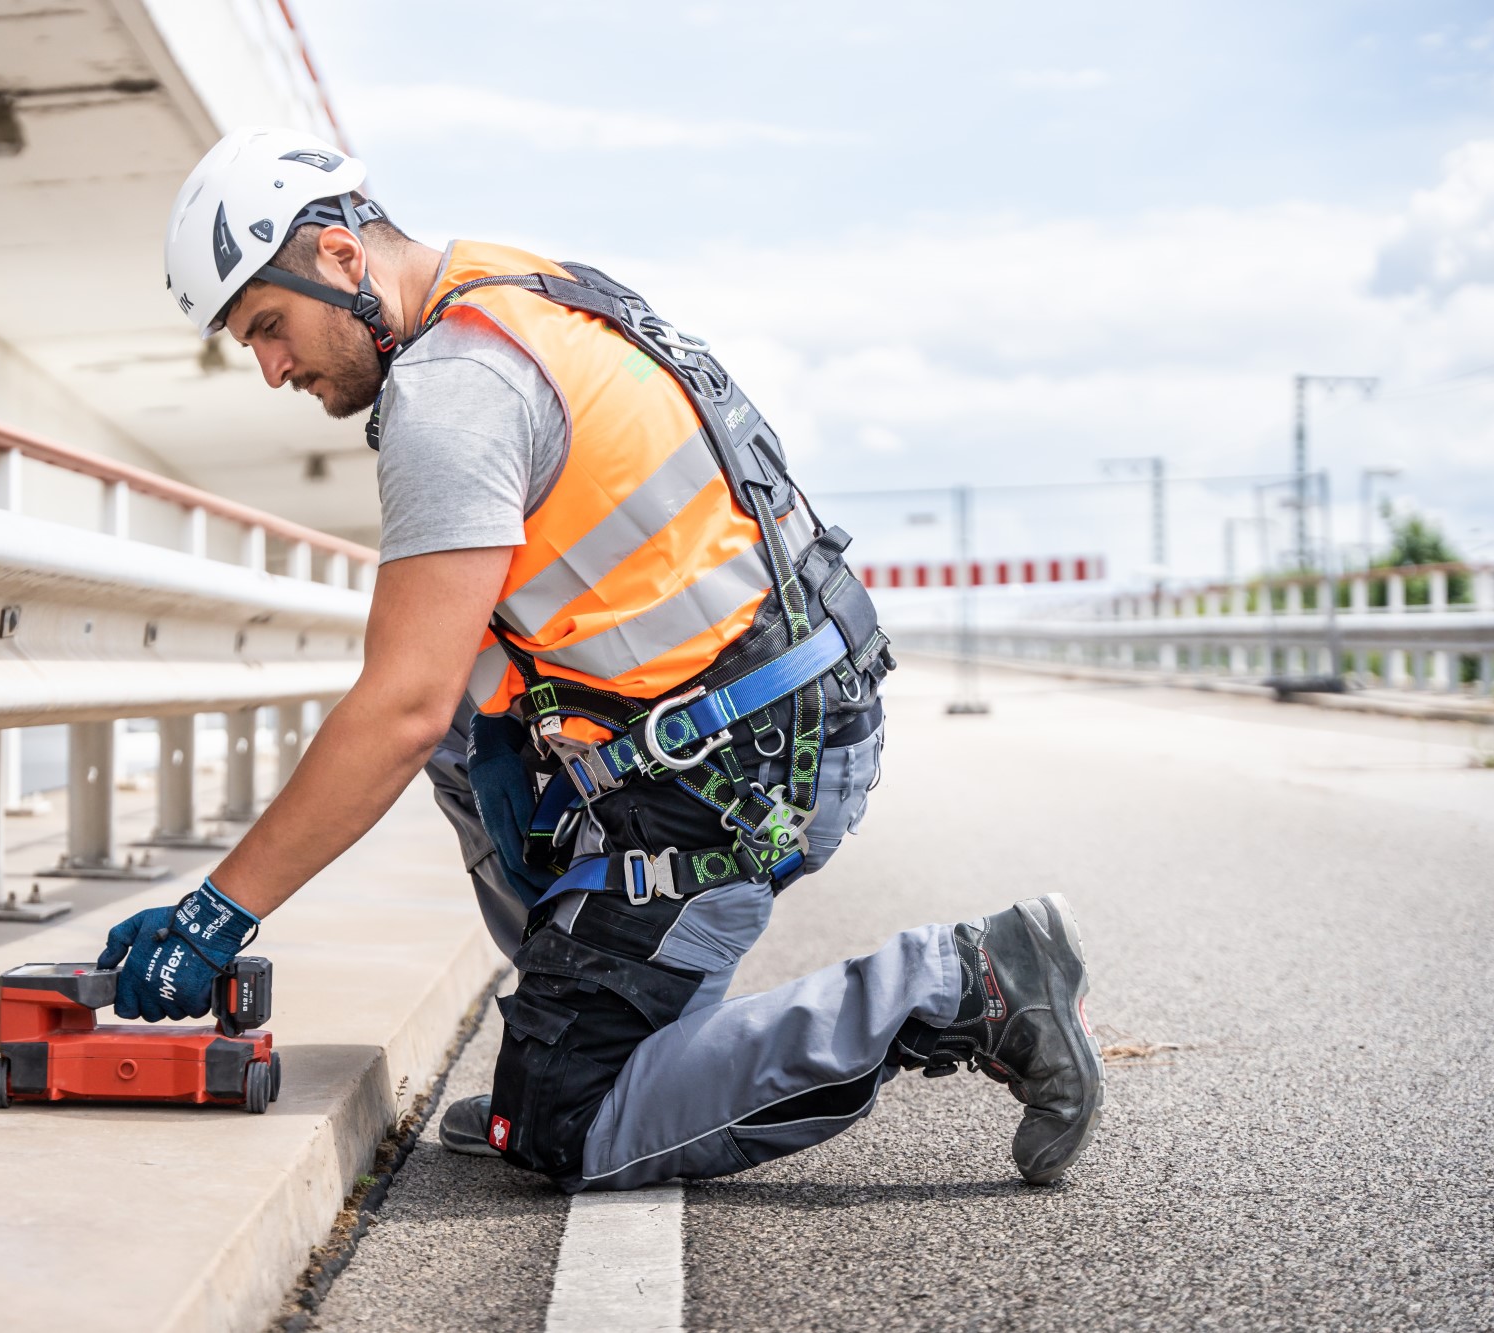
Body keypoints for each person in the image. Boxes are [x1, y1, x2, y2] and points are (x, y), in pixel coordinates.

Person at [98, 125, 1103, 1191]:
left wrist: (220, 909)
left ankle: (964, 983)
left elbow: (394, 704)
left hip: (735, 768)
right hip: (768, 710)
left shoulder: (452, 390)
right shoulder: (521, 287)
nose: (268, 368)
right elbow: (454, 676)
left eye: (267, 324)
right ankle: (588, 1032)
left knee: (564, 1127)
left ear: (341, 259)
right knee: (457, 732)